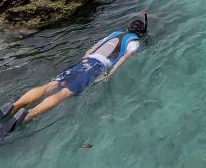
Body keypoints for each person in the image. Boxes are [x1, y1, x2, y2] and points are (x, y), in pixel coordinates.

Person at [10, 13, 147, 123]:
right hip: (97, 66)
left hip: (85, 61)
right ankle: (29, 115)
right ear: (140, 33)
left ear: (128, 27)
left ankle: (15, 105)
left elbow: (92, 48)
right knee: (63, 93)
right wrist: (109, 74)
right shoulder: (134, 42)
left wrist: (85, 58)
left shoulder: (114, 34)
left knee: (51, 85)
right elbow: (124, 57)